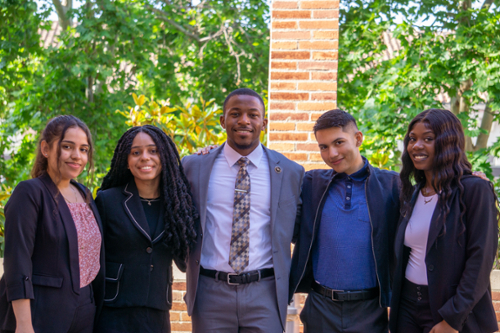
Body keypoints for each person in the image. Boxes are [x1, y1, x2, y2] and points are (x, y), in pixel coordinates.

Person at [182, 88, 304, 333]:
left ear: (264, 122)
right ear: (223, 121)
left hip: (265, 293)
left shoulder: (290, 172)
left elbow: (298, 229)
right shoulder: (193, 166)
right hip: (210, 291)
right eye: (235, 114)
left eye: (253, 114)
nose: (244, 121)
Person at [289, 109, 401, 332]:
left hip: (370, 310)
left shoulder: (392, 186)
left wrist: (467, 180)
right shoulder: (311, 184)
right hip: (320, 308)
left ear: (358, 138)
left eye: (339, 142)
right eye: (323, 147)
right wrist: (217, 155)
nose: (332, 153)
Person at [389, 109, 498, 333]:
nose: (416, 146)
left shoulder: (474, 189)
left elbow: (480, 260)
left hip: (449, 310)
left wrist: (453, 318)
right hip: (407, 307)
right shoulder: (412, 193)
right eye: (412, 139)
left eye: (428, 139)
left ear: (448, 142)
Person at [0, 115, 105, 333]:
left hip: (85, 313)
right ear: (46, 149)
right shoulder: (30, 192)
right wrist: (24, 324)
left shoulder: (84, 194)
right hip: (41, 315)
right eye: (67, 147)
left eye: (84, 149)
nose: (77, 156)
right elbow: (17, 262)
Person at [94, 125, 197, 333]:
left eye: (153, 150)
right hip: (113, 312)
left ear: (164, 156)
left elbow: (185, 259)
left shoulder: (177, 205)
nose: (144, 157)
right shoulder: (108, 200)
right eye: (135, 152)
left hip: (156, 314)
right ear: (126, 161)